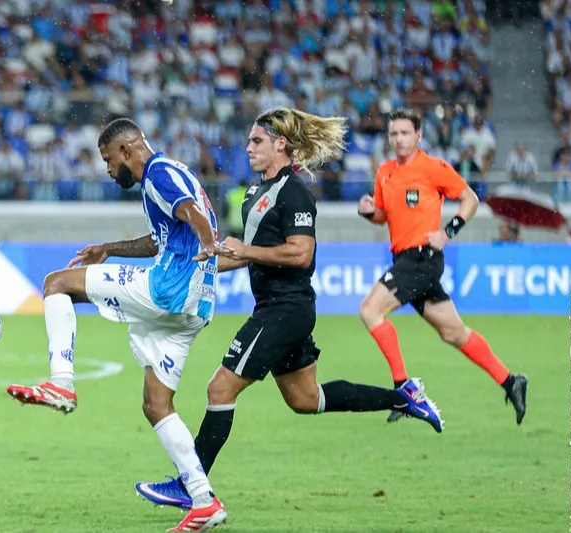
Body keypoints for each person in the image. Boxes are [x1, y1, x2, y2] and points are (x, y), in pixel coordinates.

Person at [133, 107, 444, 511]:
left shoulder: (294, 191)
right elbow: (243, 255)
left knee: (219, 388)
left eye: (257, 141)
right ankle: (405, 399)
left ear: (281, 144)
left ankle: (192, 485)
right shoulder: (252, 195)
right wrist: (204, 261)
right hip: (280, 308)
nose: (248, 148)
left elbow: (301, 253)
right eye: (248, 141)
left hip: (285, 308)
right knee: (305, 399)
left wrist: (246, 250)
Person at [6, 118, 228, 532]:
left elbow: (191, 213)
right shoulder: (173, 174)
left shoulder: (159, 173)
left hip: (168, 291)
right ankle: (203, 500)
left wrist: (208, 242)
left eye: (108, 160)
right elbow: (160, 237)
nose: (109, 171)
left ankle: (62, 382)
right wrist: (108, 249)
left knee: (57, 284)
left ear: (126, 151)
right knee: (156, 405)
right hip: (194, 309)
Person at [355, 108, 528, 424]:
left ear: (418, 136)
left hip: (422, 258)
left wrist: (448, 232)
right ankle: (510, 380)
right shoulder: (384, 172)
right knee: (454, 333)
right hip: (405, 260)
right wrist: (369, 211)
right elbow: (383, 216)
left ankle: (403, 389)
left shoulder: (434, 168)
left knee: (370, 311)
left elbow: (470, 199)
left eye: (405, 133)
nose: (398, 139)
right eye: (394, 133)